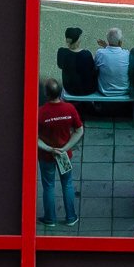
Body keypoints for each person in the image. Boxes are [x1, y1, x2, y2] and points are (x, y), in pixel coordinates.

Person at [36, 78, 84, 227]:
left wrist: (49, 149)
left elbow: (34, 136)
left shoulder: (40, 112)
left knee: (48, 186)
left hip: (46, 156)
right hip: (64, 155)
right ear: (60, 92)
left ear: (46, 94)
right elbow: (79, 130)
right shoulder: (69, 109)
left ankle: (50, 219)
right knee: (67, 184)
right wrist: (65, 147)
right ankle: (71, 217)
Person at [93, 29, 129, 97]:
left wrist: (106, 47)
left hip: (105, 92)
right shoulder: (127, 54)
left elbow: (94, 68)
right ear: (120, 42)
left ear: (108, 40)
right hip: (124, 92)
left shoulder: (100, 53)